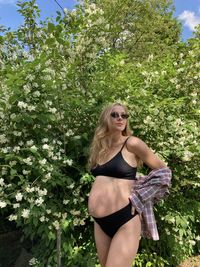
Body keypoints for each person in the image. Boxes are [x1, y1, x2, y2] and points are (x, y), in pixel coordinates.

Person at [88, 102, 171, 267]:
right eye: (115, 114)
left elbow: (164, 173)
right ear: (106, 118)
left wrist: (140, 197)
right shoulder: (101, 148)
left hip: (124, 219)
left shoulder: (132, 143)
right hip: (100, 222)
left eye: (124, 115)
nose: (120, 118)